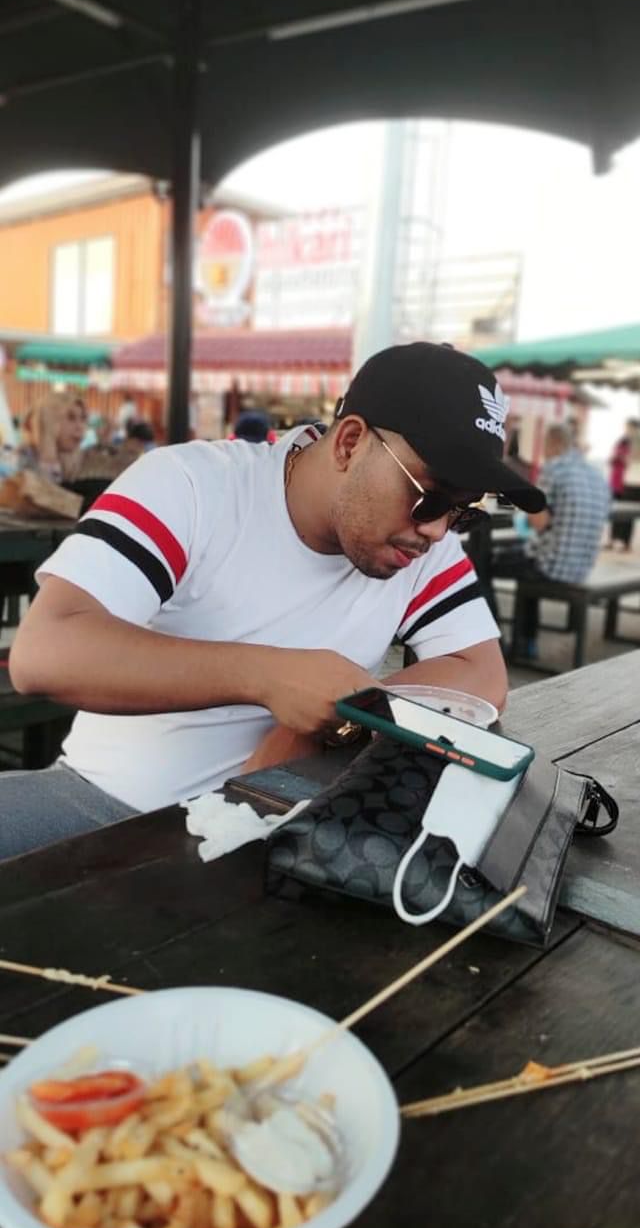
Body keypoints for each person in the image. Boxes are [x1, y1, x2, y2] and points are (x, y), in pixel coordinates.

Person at [3, 343, 545, 861]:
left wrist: (334, 716)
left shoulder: (421, 542)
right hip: (109, 804)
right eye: (428, 497)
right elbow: (46, 651)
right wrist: (269, 677)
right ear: (349, 443)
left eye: (463, 512)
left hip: (286, 821)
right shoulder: (194, 485)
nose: (437, 529)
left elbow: (482, 674)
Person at [492, 422, 610, 658]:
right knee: (526, 558)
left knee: (485, 562)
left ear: (554, 443)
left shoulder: (554, 469)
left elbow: (539, 522)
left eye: (545, 445)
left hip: (552, 565)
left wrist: (523, 505)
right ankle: (527, 641)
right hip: (580, 568)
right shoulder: (596, 476)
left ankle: (498, 642)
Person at [17, 393, 87, 484]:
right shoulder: (15, 462)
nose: (80, 427)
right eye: (71, 418)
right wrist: (48, 458)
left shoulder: (72, 463)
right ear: (48, 421)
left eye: (83, 419)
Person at [608, 421, 637, 551]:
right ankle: (613, 539)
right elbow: (613, 458)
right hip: (617, 482)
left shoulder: (635, 443)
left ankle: (625, 542)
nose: (627, 430)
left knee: (628, 513)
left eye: (630, 428)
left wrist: (625, 458)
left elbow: (631, 460)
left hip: (630, 483)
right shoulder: (621, 441)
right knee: (615, 512)